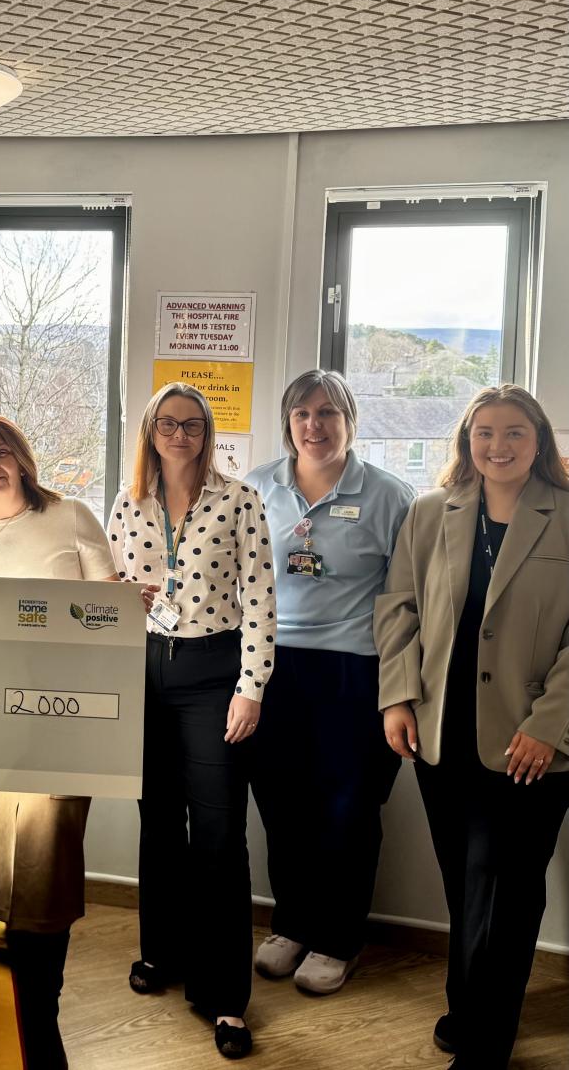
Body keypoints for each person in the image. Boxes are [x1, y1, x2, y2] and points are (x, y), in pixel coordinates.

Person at [0, 412, 141, 1070]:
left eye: (1, 452)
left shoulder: (70, 516)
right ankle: (7, 1019)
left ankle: (41, 1021)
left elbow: (108, 608)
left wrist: (124, 607)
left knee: (46, 871)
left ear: (22, 459)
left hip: (62, 720)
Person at [376, 383, 569, 1070]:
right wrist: (398, 698)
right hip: (443, 733)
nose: (498, 445)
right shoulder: (432, 512)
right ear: (466, 441)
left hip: (532, 743)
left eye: (514, 432)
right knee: (466, 886)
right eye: (484, 432)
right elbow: (397, 608)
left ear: (539, 441)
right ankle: (467, 1009)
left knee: (507, 893)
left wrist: (549, 724)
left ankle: (485, 1046)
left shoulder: (565, 515)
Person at [107, 382, 275, 1060]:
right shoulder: (129, 502)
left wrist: (250, 688)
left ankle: (223, 993)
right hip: (145, 667)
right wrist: (121, 596)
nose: (180, 435)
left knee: (218, 833)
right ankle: (162, 952)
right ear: (151, 431)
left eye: (193, 425)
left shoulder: (239, 499)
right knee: (157, 822)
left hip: (214, 673)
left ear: (207, 433)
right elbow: (110, 588)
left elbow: (260, 597)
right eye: (168, 424)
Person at [244, 370, 415, 994]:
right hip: (272, 667)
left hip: (355, 670)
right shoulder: (257, 486)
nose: (313, 425)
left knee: (348, 810)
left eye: (327, 413)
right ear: (288, 423)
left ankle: (338, 938)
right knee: (282, 806)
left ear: (349, 421)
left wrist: (399, 691)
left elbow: (406, 600)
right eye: (302, 414)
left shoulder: (389, 496)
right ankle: (292, 924)